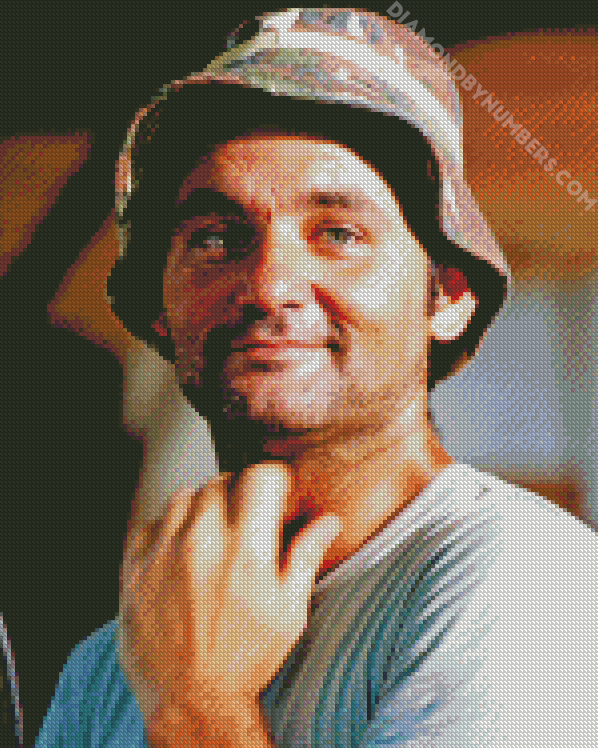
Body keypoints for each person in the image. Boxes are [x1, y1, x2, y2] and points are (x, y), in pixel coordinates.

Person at [36, 8, 598, 747]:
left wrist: (198, 709)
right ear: (160, 309)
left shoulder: (520, 578)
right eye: (216, 237)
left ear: (448, 295)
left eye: (338, 233)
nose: (269, 286)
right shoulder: (116, 659)